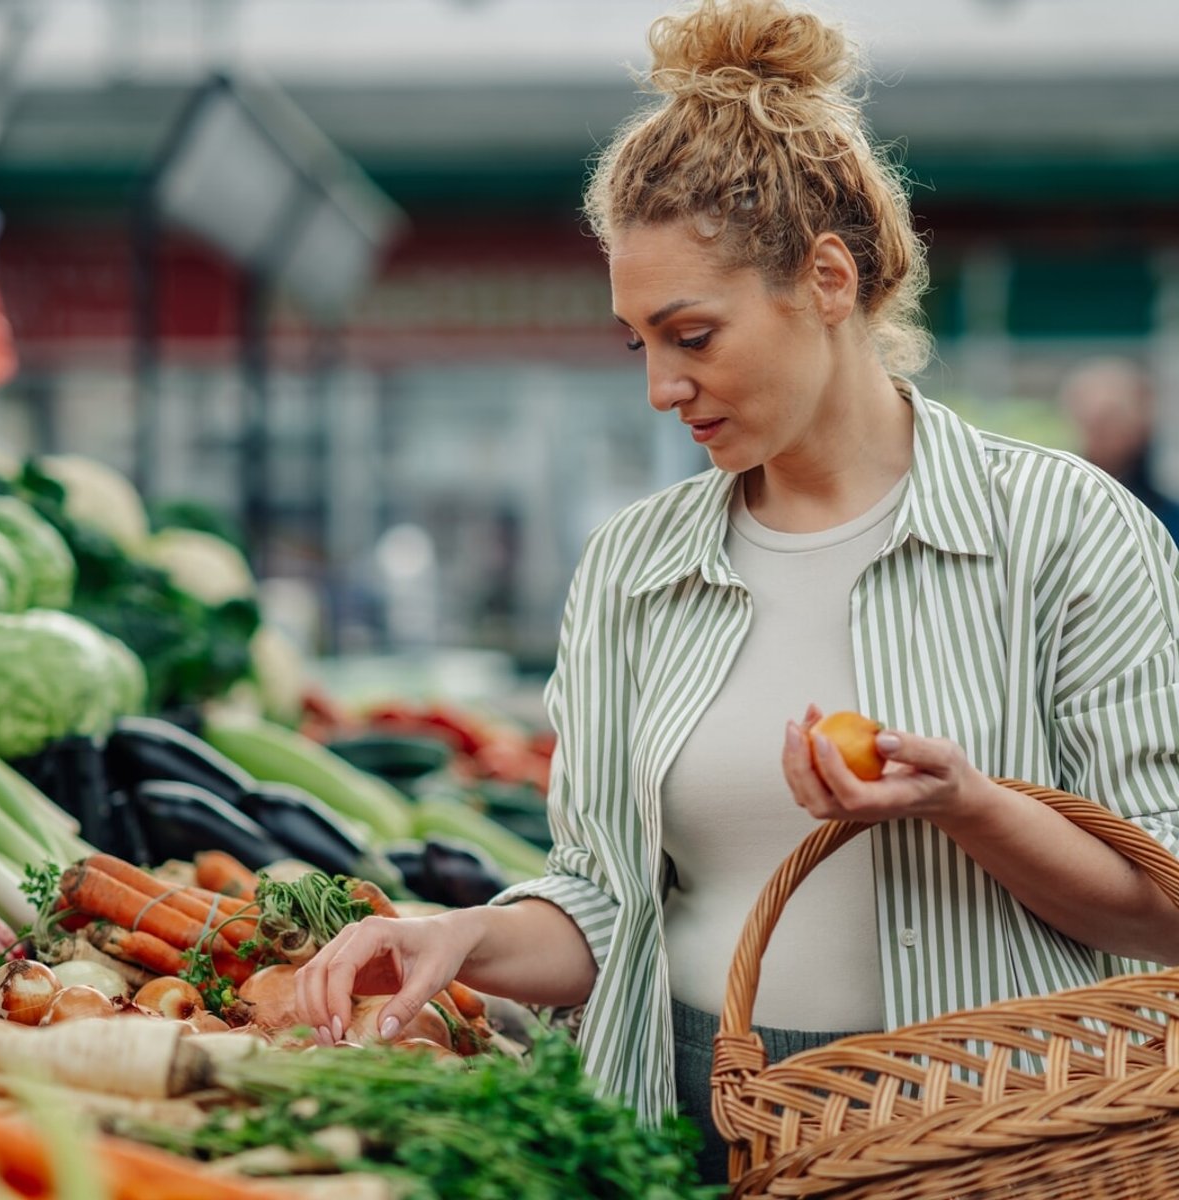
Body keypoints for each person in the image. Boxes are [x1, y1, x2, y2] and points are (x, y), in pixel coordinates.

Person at [296, 0, 1179, 1187]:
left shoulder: (1068, 532)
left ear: (827, 279)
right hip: (694, 1122)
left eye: (693, 335)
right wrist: (462, 937)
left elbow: (1164, 904)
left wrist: (969, 807)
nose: (661, 387)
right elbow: (606, 903)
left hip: (991, 1134)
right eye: (639, 344)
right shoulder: (633, 566)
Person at [1057, 355, 1179, 545]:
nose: (1102, 432)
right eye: (1097, 421)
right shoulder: (1058, 509)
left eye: (1113, 419)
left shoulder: (1165, 516)